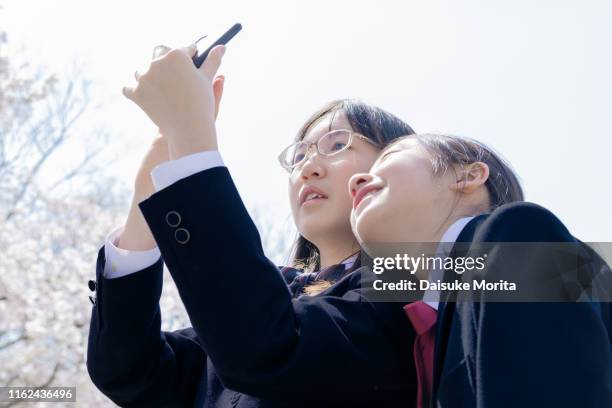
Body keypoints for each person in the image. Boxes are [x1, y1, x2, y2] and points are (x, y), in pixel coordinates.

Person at [87, 43, 419, 407]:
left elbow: (268, 345)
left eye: (337, 145)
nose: (308, 167)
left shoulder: (415, 285)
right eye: (300, 155)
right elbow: (128, 371)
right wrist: (151, 183)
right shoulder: (274, 293)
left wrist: (193, 145)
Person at [348, 133, 612, 407]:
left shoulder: (518, 234)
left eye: (389, 157)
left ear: (468, 176)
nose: (355, 182)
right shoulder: (431, 320)